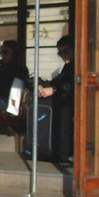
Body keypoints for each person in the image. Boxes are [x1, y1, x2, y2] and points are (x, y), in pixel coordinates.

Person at [37, 35, 74, 163]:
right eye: (60, 53)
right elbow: (60, 81)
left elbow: (73, 86)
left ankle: (66, 153)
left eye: (67, 51)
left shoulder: (78, 65)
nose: (64, 55)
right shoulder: (68, 66)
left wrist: (54, 90)